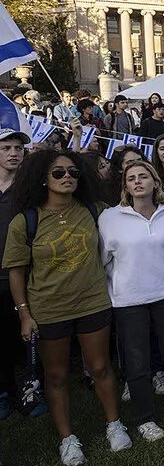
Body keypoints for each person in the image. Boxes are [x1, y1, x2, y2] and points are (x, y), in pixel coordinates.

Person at [5, 149, 132, 465]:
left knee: (101, 367)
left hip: (92, 302)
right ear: (43, 179)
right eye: (58, 173)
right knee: (57, 376)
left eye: (73, 172)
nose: (68, 178)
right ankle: (67, 439)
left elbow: (129, 214)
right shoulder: (26, 221)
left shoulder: (94, 210)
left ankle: (114, 424)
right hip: (49, 309)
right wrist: (24, 313)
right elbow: (16, 269)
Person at [99, 161, 164, 441]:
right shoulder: (110, 217)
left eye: (143, 176)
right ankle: (144, 418)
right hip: (129, 301)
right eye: (131, 178)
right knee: (136, 363)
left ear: (155, 182)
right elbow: (104, 259)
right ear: (125, 186)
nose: (137, 182)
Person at [0, 129, 45, 421]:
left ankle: (33, 388)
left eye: (18, 148)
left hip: (26, 274)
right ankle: (5, 391)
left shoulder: (30, 189)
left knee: (32, 334)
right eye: (6, 148)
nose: (14, 153)